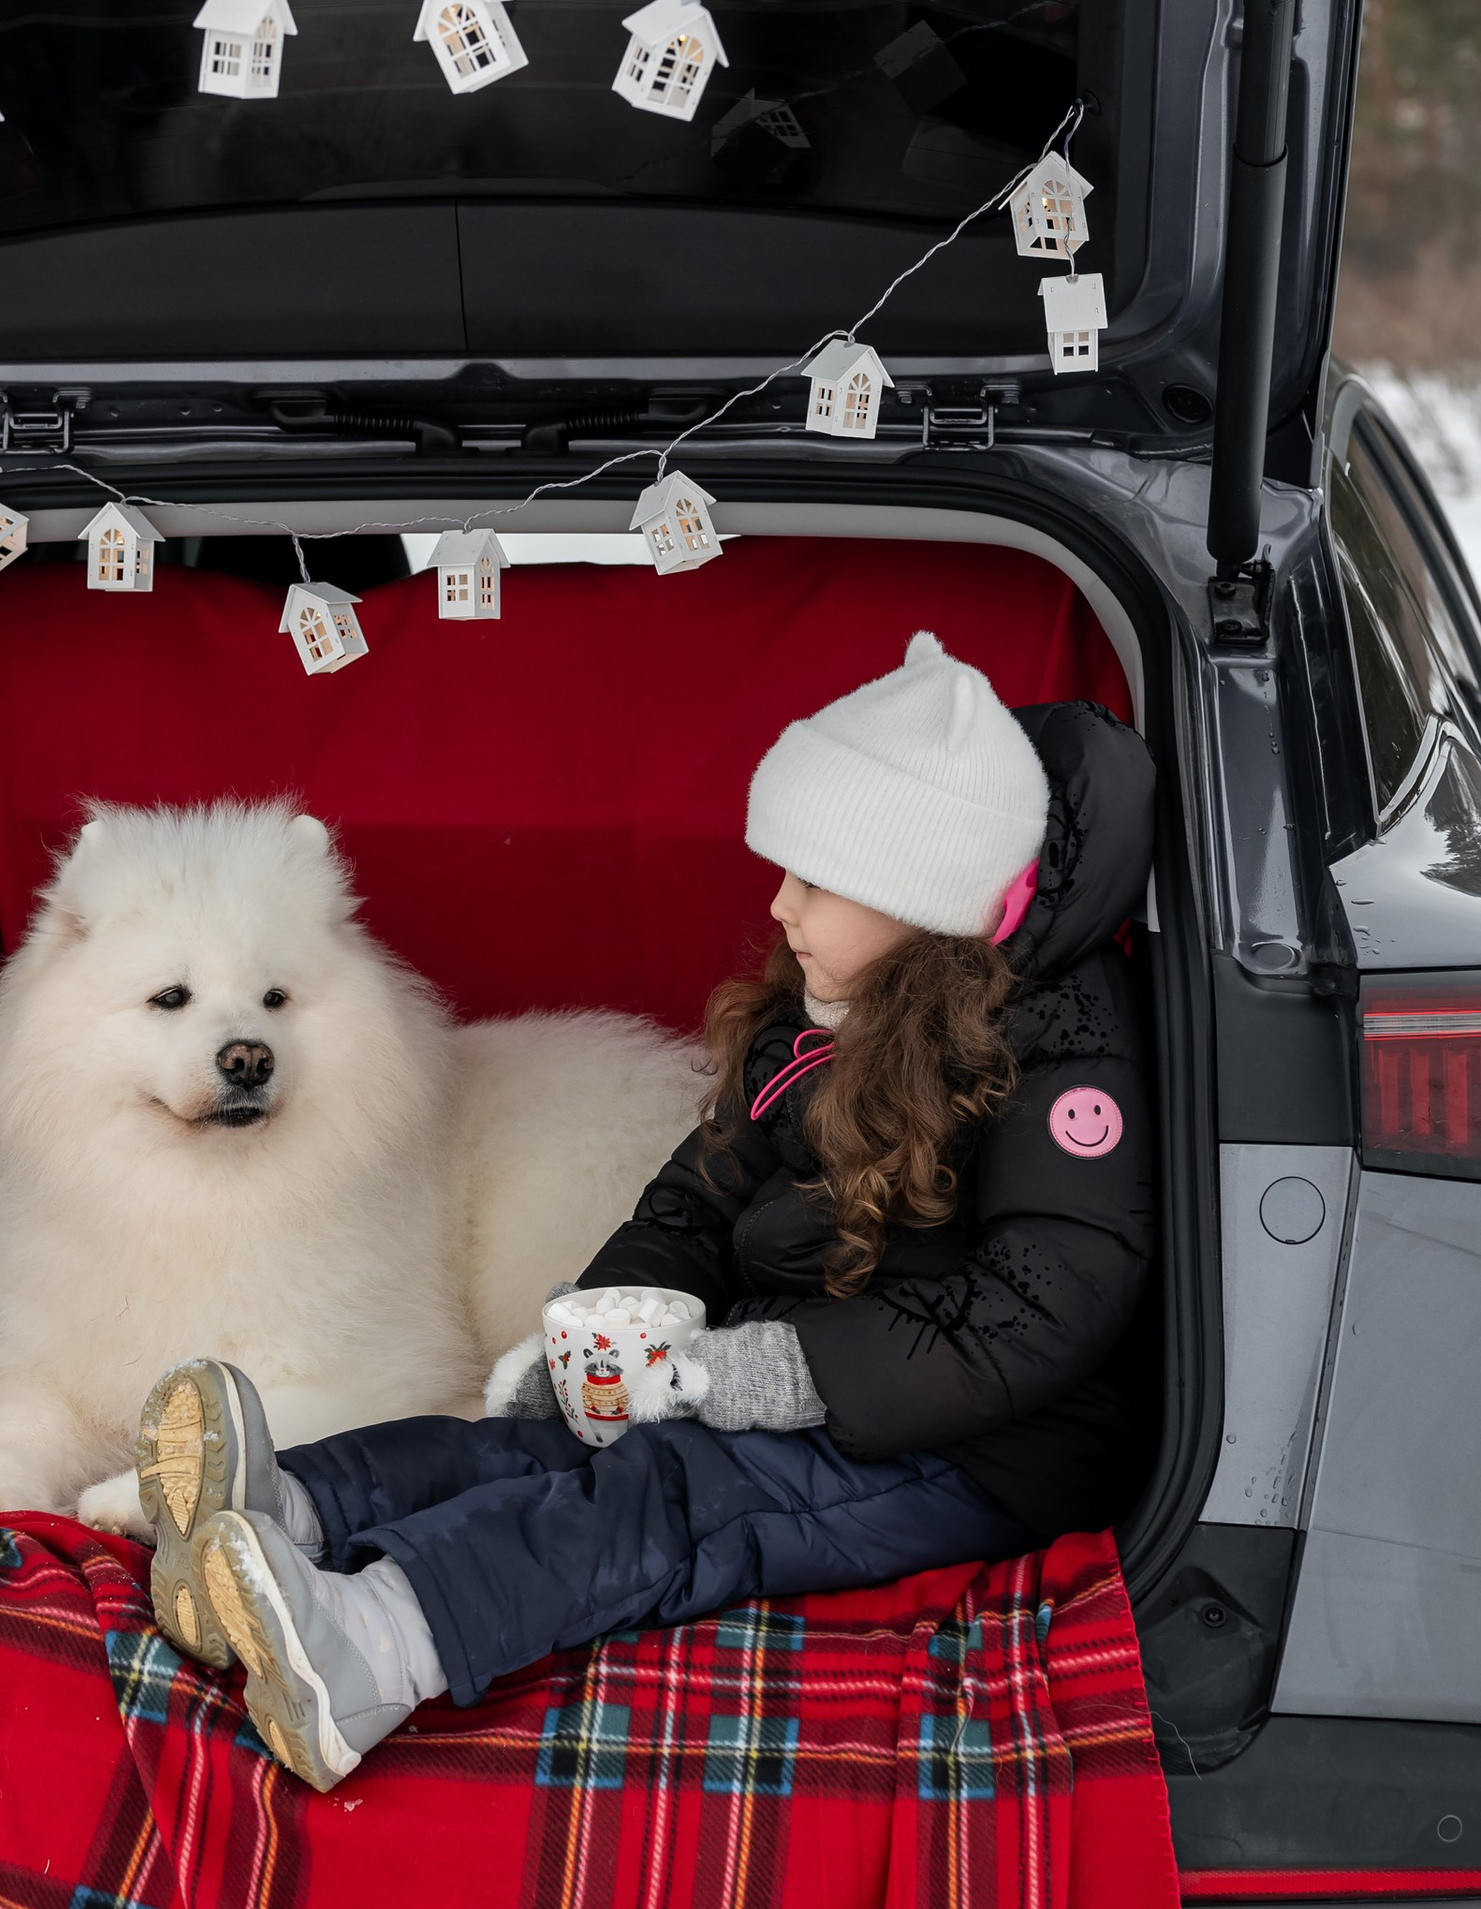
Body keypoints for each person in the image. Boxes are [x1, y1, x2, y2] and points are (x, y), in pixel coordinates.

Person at [136, 633, 1158, 1789]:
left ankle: (378, 1644)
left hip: (975, 1449)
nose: (778, 906)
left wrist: (758, 1376)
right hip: (792, 1358)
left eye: (814, 880)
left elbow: (1030, 1316)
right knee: (556, 1429)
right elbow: (696, 1193)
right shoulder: (826, 1009)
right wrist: (595, 1331)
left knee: (674, 1493)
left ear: (922, 897)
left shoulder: (1065, 1062)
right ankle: (295, 1508)